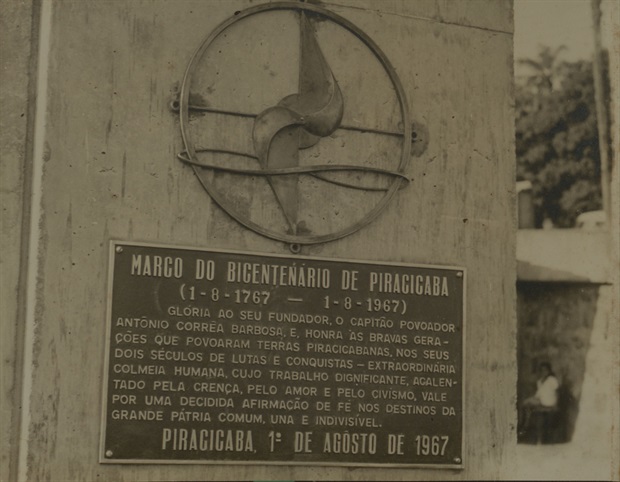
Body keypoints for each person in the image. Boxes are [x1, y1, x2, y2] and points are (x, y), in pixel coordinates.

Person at [518, 362, 559, 437]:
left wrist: (556, 404)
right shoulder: (539, 381)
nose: (544, 372)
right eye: (542, 370)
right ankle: (525, 425)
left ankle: (524, 427)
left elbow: (556, 392)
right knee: (526, 406)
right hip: (541, 400)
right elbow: (539, 394)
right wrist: (532, 399)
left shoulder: (552, 380)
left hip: (549, 401)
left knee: (525, 404)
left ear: (549, 371)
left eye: (545, 370)